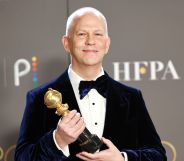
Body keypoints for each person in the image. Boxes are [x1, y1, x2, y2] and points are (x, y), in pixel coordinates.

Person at [14, 7, 167, 161]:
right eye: (81, 34)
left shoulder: (132, 97)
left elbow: (158, 155)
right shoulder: (40, 97)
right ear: (66, 43)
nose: (90, 41)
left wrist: (123, 158)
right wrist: (57, 140)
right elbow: (22, 158)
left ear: (107, 44)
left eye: (98, 34)